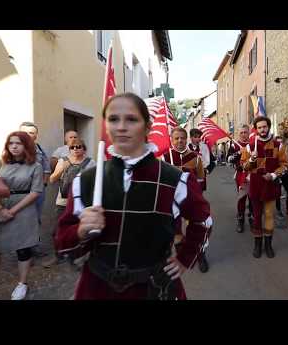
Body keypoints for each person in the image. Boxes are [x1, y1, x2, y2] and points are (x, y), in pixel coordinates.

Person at [55, 93, 212, 300]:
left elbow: (203, 221)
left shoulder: (175, 179)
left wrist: (185, 258)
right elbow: (61, 243)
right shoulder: (86, 181)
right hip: (97, 288)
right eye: (113, 119)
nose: (121, 126)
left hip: (154, 289)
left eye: (131, 119)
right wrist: (81, 231)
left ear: (147, 127)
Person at [0, 131, 44, 300]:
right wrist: (0, 209)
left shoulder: (35, 166)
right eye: (11, 143)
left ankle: (22, 284)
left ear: (27, 146)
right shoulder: (0, 163)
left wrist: (12, 211)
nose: (14, 146)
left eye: (19, 143)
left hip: (23, 208)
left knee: (23, 248)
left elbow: (36, 192)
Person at [241, 116, 288, 258]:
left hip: (271, 185)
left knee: (269, 215)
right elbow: (244, 166)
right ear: (256, 129)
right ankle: (257, 245)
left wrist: (274, 175)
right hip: (256, 185)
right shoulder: (250, 146)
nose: (262, 129)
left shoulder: (278, 145)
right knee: (256, 216)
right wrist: (251, 159)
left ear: (269, 127)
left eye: (265, 126)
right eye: (260, 127)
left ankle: (268, 245)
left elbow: (285, 165)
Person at [162, 127, 210, 273]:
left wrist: (198, 199)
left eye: (182, 138)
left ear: (186, 139)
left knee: (196, 229)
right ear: (171, 140)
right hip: (172, 203)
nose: (180, 141)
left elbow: (201, 179)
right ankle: (183, 256)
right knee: (176, 232)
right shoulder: (165, 158)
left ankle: (200, 255)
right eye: (176, 138)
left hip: (190, 202)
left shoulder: (195, 158)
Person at [42, 139, 95, 268]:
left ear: (84, 149)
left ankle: (78, 257)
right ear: (69, 149)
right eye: (72, 147)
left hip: (81, 201)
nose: (75, 149)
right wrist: (61, 169)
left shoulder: (91, 162)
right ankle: (58, 256)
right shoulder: (63, 160)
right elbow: (52, 179)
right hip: (63, 201)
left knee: (81, 230)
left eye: (79, 146)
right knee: (57, 230)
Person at [19, 122, 51, 256]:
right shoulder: (14, 149)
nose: (29, 135)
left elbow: (47, 169)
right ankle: (22, 250)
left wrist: (42, 185)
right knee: (20, 219)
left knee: (35, 219)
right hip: (20, 192)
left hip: (37, 192)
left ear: (36, 135)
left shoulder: (40, 150)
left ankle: (33, 247)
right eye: (26, 132)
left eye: (32, 133)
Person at [227, 125, 253, 233]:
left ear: (249, 133)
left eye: (245, 132)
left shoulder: (253, 144)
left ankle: (252, 218)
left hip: (253, 174)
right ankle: (240, 220)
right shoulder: (234, 145)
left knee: (253, 197)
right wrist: (239, 153)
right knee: (241, 198)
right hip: (240, 174)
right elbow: (229, 159)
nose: (243, 134)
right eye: (241, 132)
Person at [275, 134, 288, 219]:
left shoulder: (286, 147)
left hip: (286, 173)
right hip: (276, 173)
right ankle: (278, 210)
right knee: (277, 193)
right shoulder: (275, 147)